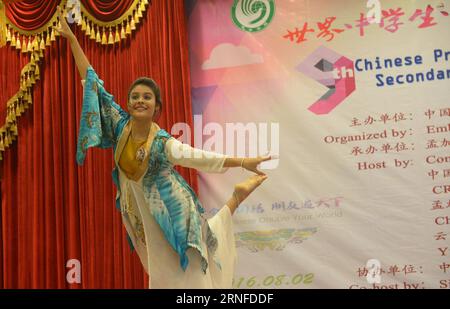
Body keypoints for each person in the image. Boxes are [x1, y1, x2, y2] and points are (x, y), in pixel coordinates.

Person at [54, 7, 271, 288]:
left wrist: (243, 162)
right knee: (159, 274)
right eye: (135, 96)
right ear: (129, 103)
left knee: (193, 275)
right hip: (141, 218)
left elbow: (200, 158)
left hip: (175, 213)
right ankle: (236, 199)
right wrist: (72, 39)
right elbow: (91, 83)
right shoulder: (120, 127)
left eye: (147, 97)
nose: (139, 100)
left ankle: (235, 199)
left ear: (157, 107)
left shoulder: (162, 144)